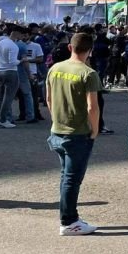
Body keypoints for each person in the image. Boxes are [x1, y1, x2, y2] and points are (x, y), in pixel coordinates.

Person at [45, 32, 101, 235]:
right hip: (78, 134)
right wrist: (94, 130)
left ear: (70, 47)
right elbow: (92, 107)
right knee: (72, 179)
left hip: (58, 131)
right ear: (90, 50)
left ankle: (69, 216)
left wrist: (56, 120)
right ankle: (68, 221)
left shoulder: (55, 68)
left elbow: (49, 99)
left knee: (65, 176)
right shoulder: (88, 73)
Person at [0, 25, 24, 128]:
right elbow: (13, 62)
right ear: (15, 33)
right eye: (21, 33)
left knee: (0, 96)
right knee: (8, 97)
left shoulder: (1, 43)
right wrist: (21, 60)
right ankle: (3, 120)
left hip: (0, 71)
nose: (22, 36)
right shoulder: (13, 46)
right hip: (11, 72)